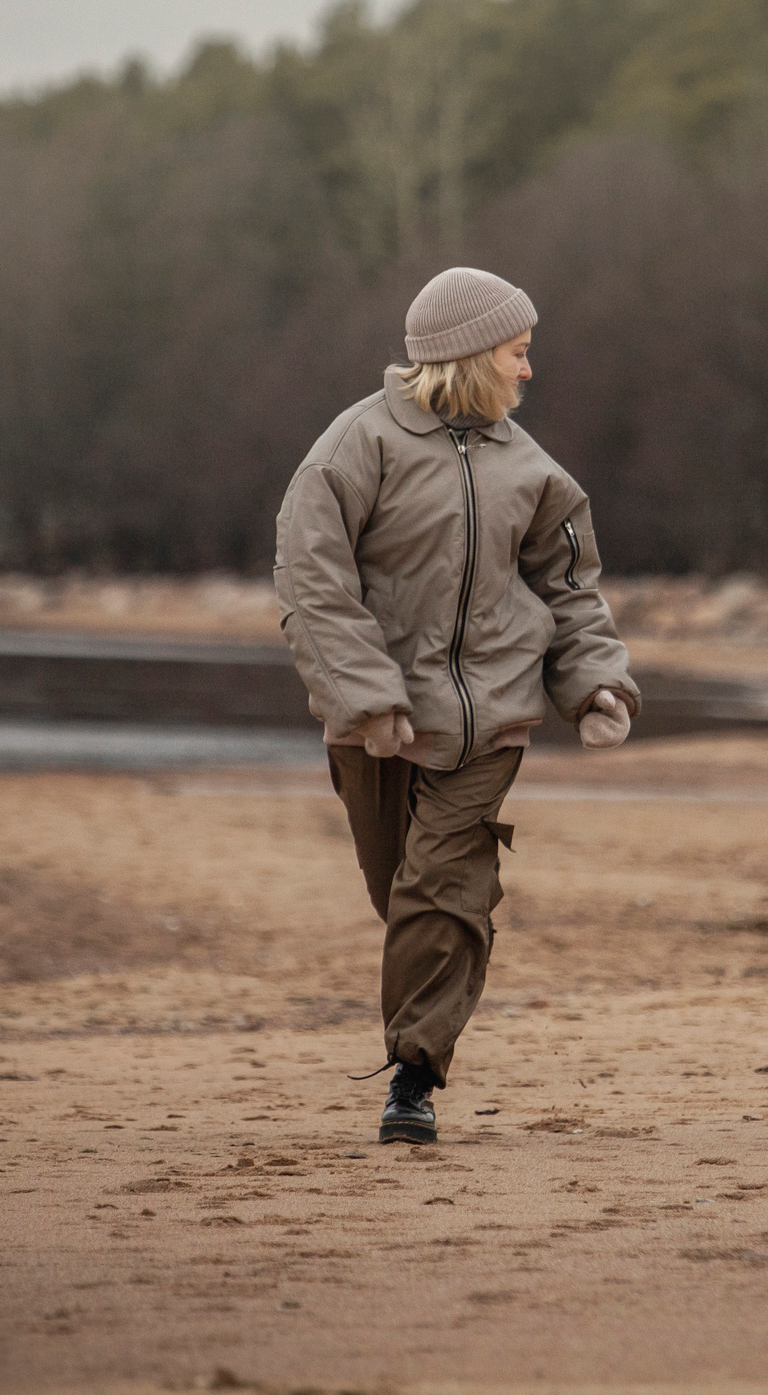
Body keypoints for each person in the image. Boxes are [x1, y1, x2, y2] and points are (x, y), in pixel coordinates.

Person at [275, 266, 641, 1144]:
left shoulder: (531, 466)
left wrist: (595, 680)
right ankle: (423, 1023)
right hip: (378, 724)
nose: (527, 371)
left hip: (492, 721)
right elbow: (310, 582)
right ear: (471, 356)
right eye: (517, 353)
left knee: (445, 887)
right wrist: (369, 699)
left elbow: (568, 584)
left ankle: (413, 1076)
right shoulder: (354, 447)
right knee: (401, 890)